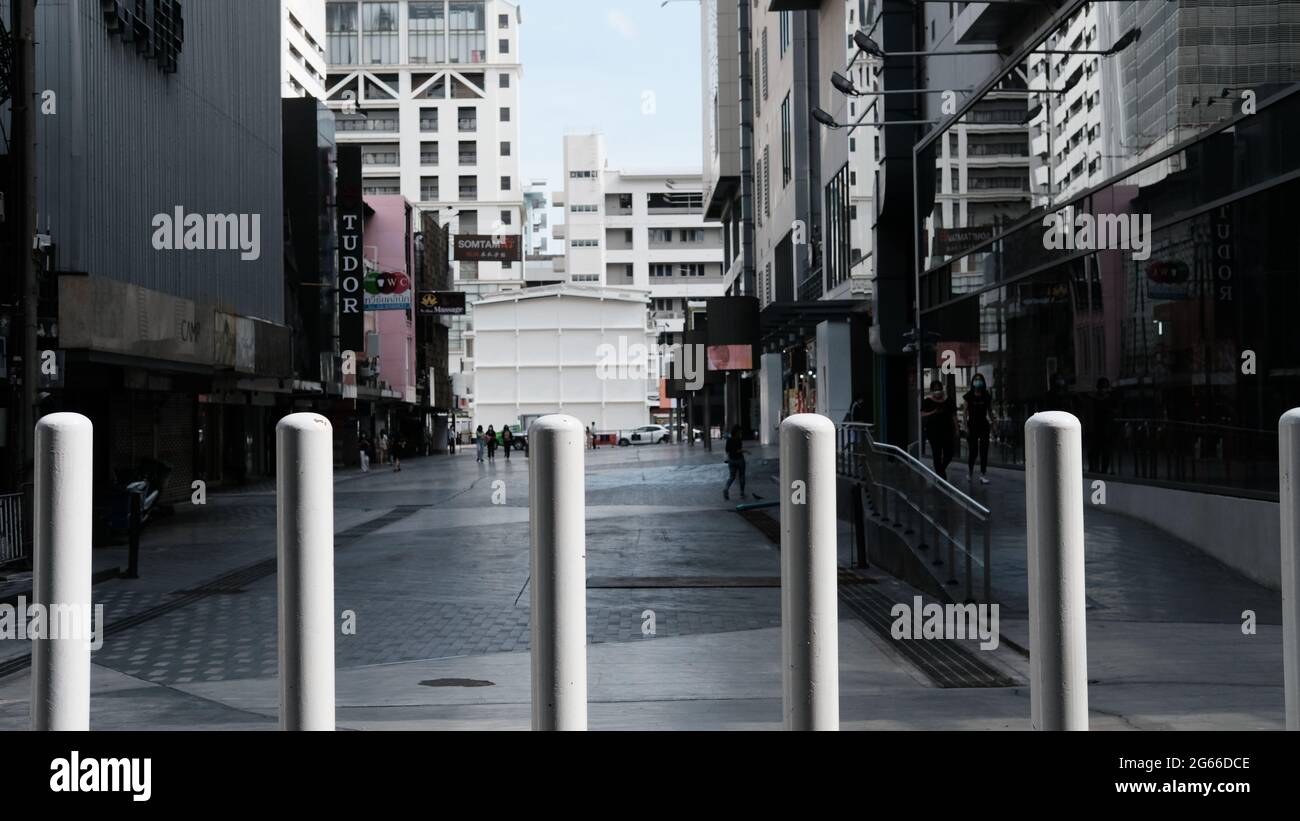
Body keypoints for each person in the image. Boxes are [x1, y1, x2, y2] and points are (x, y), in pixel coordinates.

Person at [921, 380, 957, 481]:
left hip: (947, 431)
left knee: (949, 454)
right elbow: (922, 414)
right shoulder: (927, 401)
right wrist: (933, 412)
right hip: (933, 432)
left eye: (939, 389)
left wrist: (957, 429)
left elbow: (953, 415)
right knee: (936, 455)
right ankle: (941, 477)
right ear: (932, 390)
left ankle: (940, 471)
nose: (937, 391)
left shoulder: (948, 400)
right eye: (935, 389)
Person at [963, 375, 994, 484]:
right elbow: (965, 412)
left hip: (984, 426)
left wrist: (994, 424)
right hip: (972, 426)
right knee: (973, 451)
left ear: (983, 382)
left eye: (980, 380)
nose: (978, 382)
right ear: (972, 382)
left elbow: (990, 411)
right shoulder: (969, 396)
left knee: (984, 450)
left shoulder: (986, 396)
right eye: (976, 380)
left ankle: (983, 474)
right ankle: (970, 471)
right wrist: (965, 427)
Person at [1088, 377, 1116, 474]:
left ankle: (1099, 470)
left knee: (1103, 453)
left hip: (1104, 430)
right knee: (1097, 452)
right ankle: (1096, 469)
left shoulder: (1108, 400)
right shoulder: (1095, 400)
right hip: (1098, 430)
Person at [723, 425, 746, 501]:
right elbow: (738, 450)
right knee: (741, 476)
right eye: (739, 431)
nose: (740, 432)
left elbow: (727, 450)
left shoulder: (729, 440)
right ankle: (742, 493)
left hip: (731, 460)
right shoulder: (738, 440)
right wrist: (745, 451)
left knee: (732, 477)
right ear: (737, 432)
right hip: (739, 460)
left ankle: (726, 488)